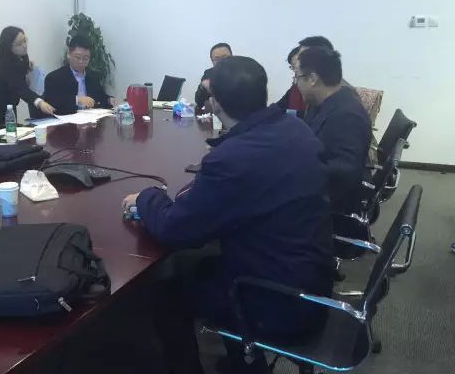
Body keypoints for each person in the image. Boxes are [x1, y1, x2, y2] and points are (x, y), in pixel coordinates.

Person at [122, 56, 333, 374]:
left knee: (167, 295)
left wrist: (146, 197)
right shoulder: (295, 128)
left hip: (278, 300)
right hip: (312, 280)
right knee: (199, 264)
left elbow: (174, 230)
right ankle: (244, 362)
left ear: (216, 103)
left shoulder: (232, 160)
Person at [294, 46, 371, 214]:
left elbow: (347, 170)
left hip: (328, 205)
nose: (296, 83)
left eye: (297, 77)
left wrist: (296, 165)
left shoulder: (347, 115)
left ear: (312, 79)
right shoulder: (325, 103)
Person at [0, 26, 56, 127]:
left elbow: (19, 75)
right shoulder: (4, 63)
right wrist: (39, 102)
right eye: (19, 43)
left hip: (11, 96)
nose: (24, 45)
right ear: (9, 46)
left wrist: (27, 68)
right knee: (8, 128)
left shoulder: (22, 54)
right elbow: (20, 87)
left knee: (12, 125)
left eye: (25, 40)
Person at [43, 35, 117, 115]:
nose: (81, 61)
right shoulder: (54, 78)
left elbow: (100, 97)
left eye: (85, 58)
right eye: (77, 57)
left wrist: (110, 100)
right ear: (68, 54)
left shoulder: (93, 76)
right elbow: (53, 102)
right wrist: (77, 100)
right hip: (66, 120)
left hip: (90, 119)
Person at [276, 36, 334, 114]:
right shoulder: (297, 88)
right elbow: (277, 109)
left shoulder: (341, 105)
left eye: (297, 65)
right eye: (293, 67)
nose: (295, 72)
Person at [194, 42, 233, 111]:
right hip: (216, 115)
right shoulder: (209, 74)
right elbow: (199, 101)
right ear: (212, 62)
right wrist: (202, 87)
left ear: (232, 57)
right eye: (217, 59)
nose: (222, 62)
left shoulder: (242, 73)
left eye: (225, 57)